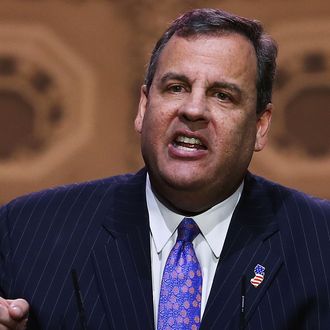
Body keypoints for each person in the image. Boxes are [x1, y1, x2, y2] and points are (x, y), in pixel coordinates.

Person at [0, 7, 329, 330]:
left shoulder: (320, 241)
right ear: (143, 107)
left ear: (260, 126)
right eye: (176, 88)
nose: (193, 109)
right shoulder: (28, 231)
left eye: (222, 95)